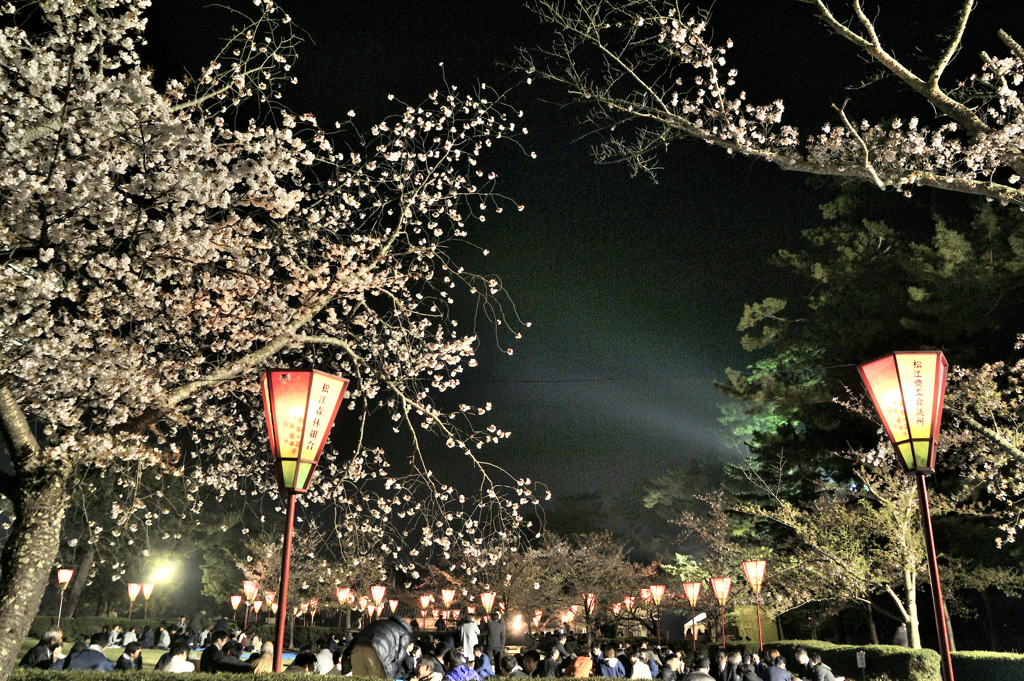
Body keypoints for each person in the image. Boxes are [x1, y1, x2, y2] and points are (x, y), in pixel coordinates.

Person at [341, 615, 413, 679]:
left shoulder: (378, 623)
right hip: (376, 653)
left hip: (356, 648)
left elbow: (358, 637)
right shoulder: (404, 633)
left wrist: (345, 661)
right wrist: (393, 672)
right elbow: (400, 656)